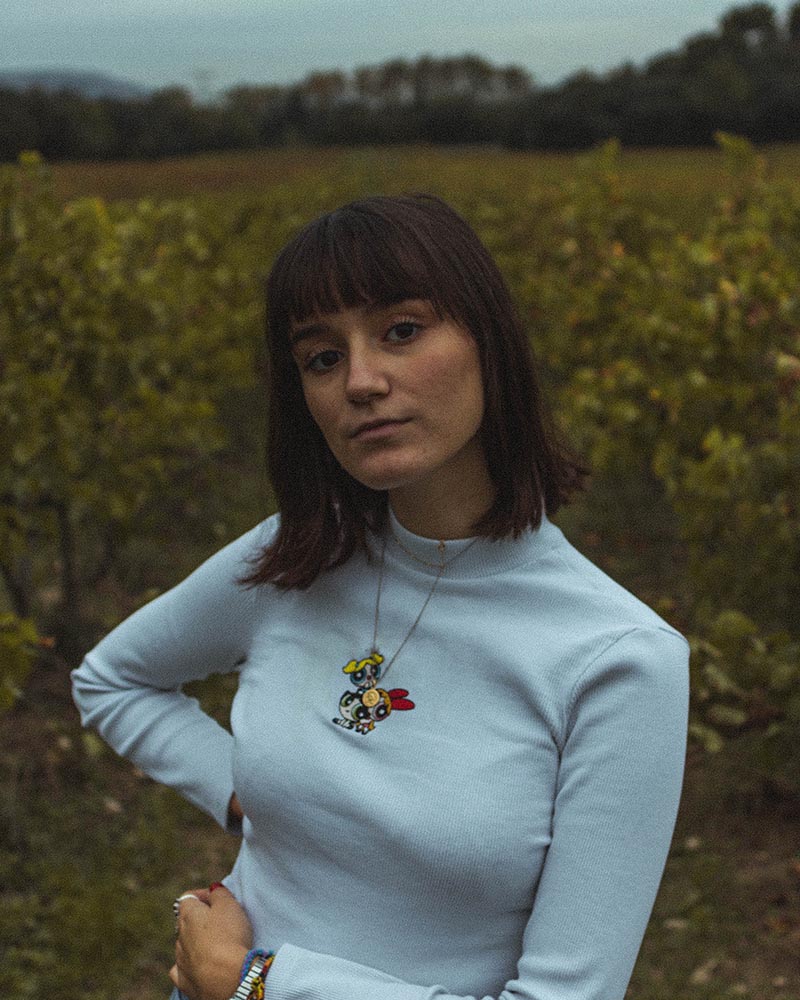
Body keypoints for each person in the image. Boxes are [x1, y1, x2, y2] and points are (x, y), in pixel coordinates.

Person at [71, 193, 689, 1000]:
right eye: (322, 357)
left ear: (488, 341)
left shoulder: (618, 660)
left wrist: (257, 981)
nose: (361, 382)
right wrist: (250, 797)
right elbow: (112, 679)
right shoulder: (296, 556)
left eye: (401, 330)